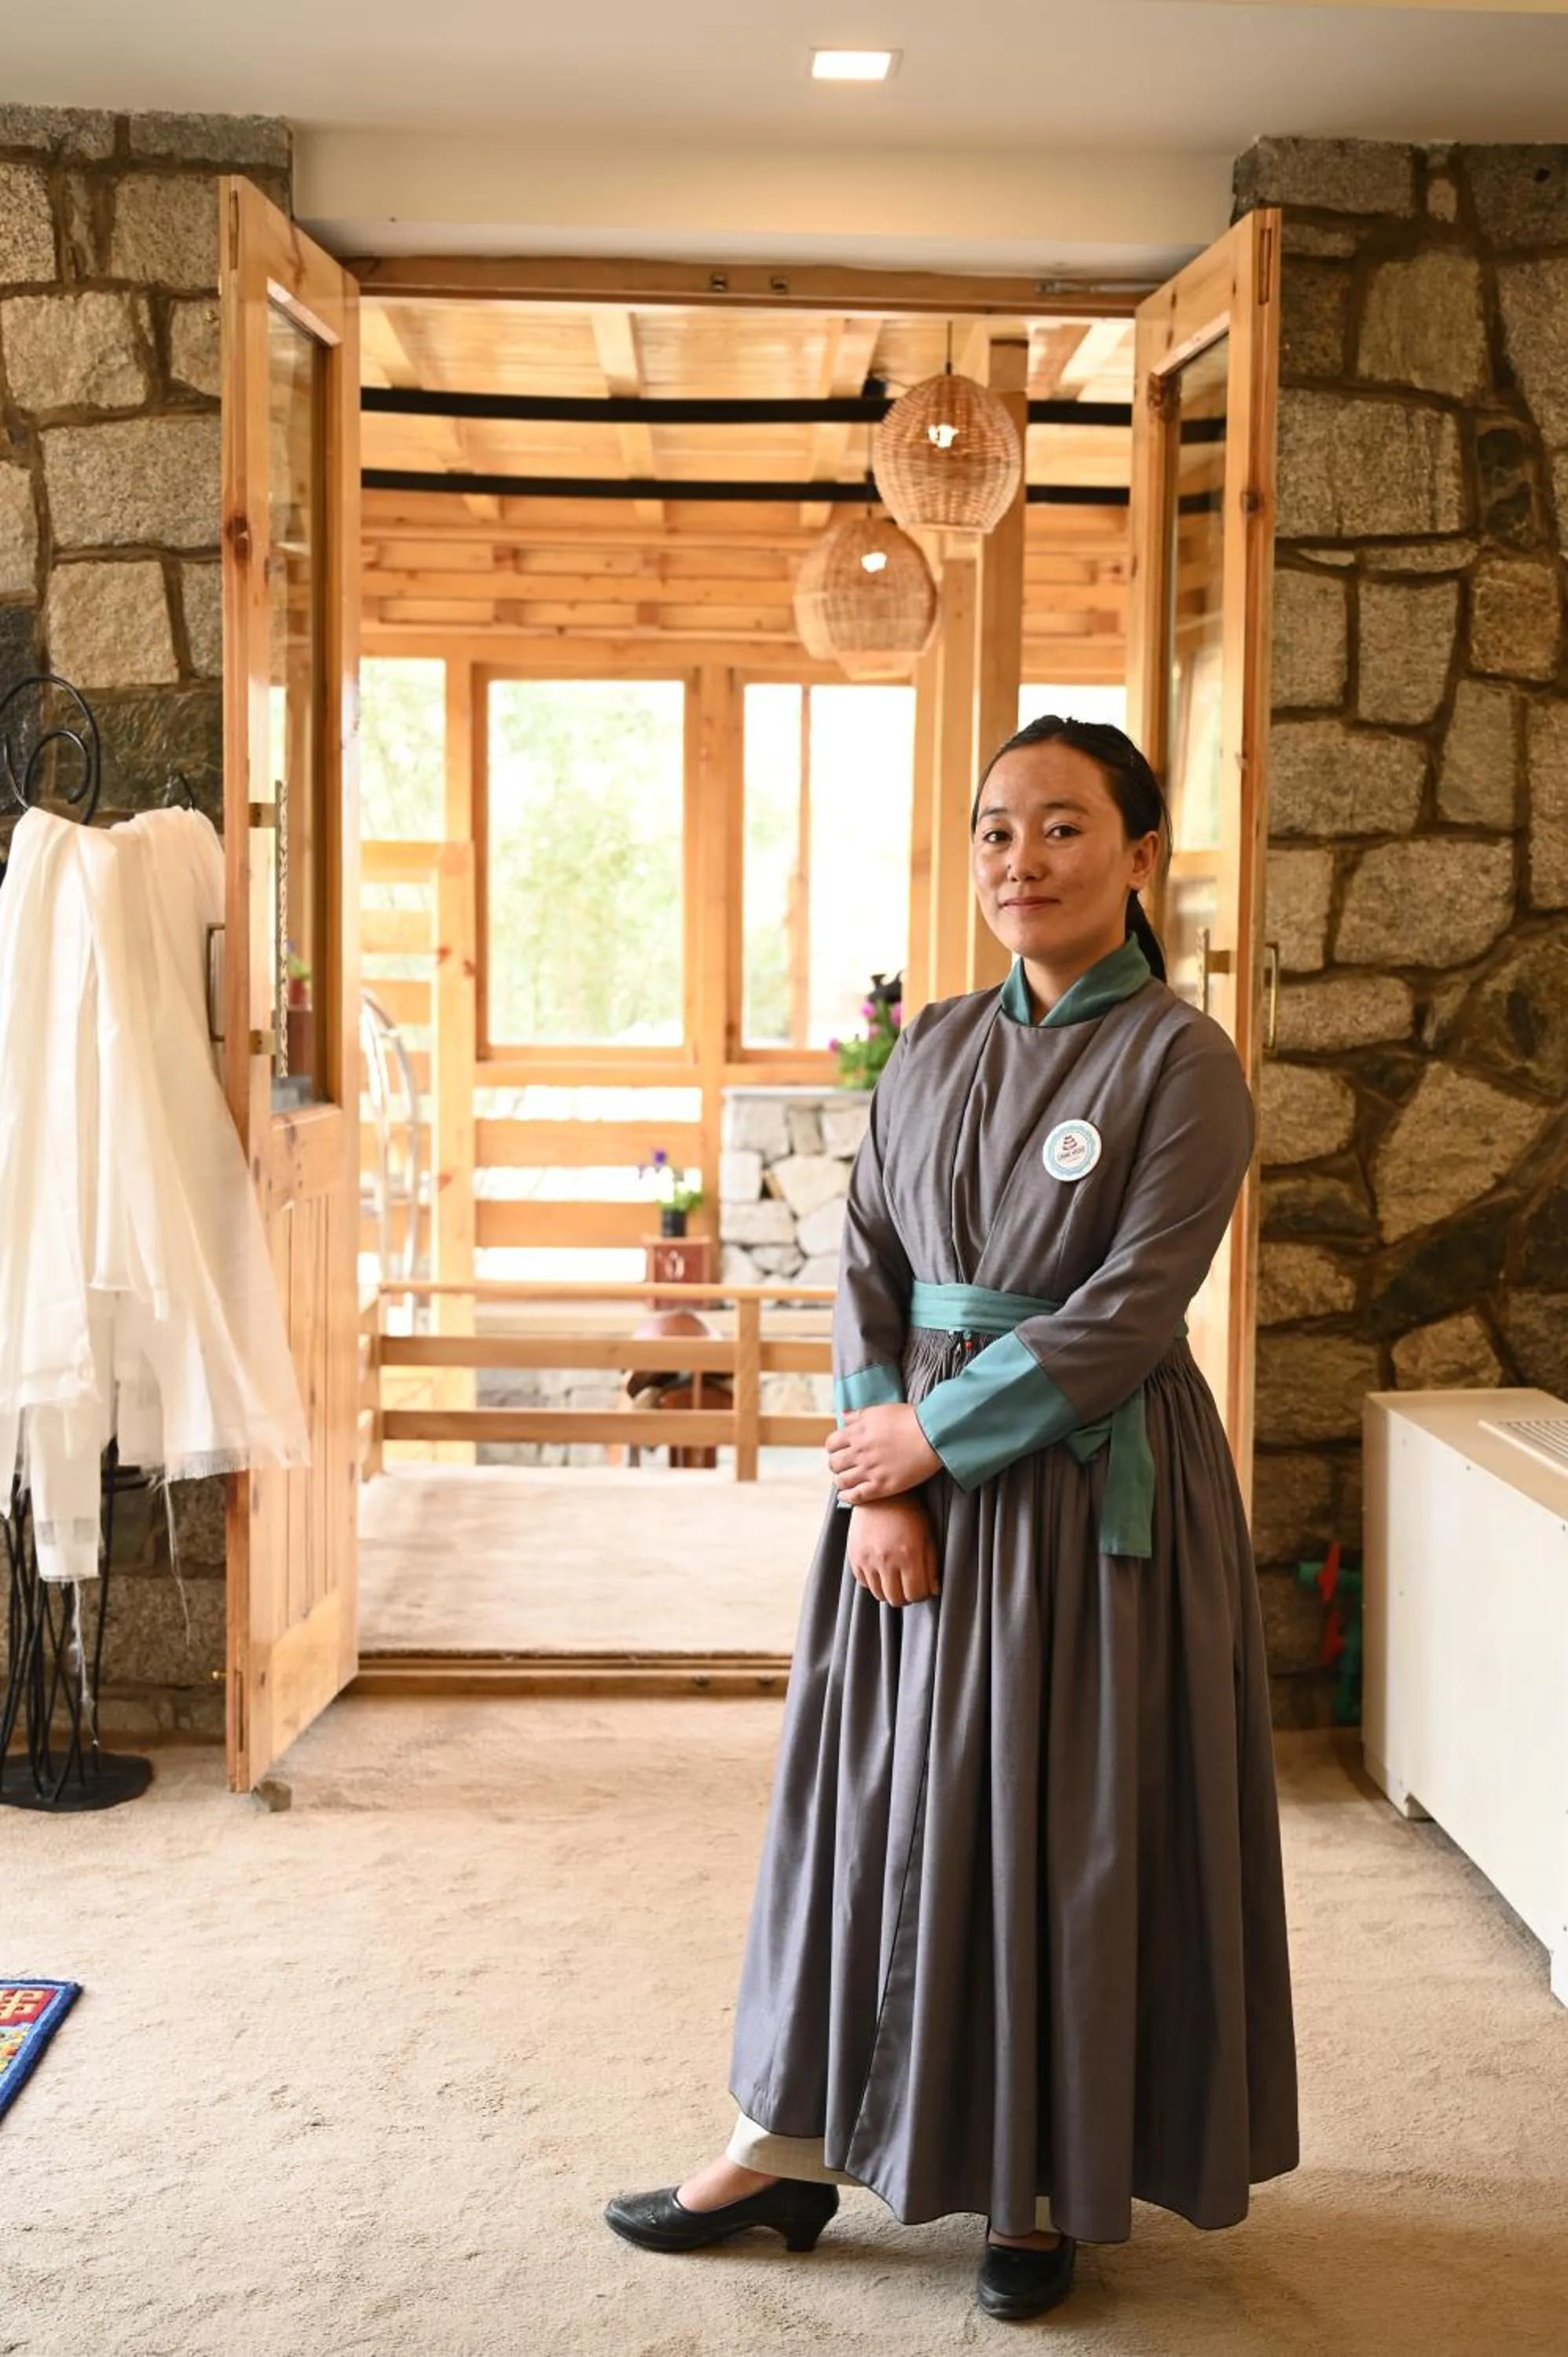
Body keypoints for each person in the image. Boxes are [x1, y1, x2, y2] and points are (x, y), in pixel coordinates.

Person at [604, 717, 1299, 2322]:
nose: (1017, 859)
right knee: (858, 1809)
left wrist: (935, 1438)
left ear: (1136, 858)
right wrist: (880, 1474)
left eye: (1059, 829)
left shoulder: (1181, 1064)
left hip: (1078, 1499)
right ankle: (778, 2145)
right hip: (904, 1492)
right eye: (994, 830)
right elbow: (862, 1257)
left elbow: (1130, 1309)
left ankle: (1039, 2184)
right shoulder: (926, 1045)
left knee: (1060, 1828)